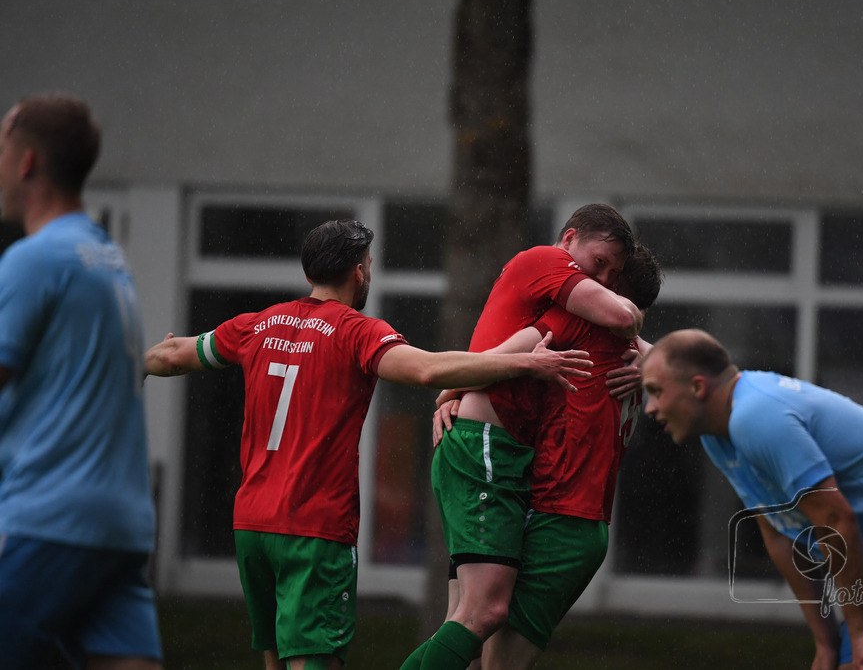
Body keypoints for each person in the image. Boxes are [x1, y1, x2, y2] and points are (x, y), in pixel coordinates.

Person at [143, 219, 593, 670]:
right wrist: (524, 363)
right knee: (314, 660)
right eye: (370, 267)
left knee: (275, 658)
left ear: (309, 274)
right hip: (313, 527)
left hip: (252, 525)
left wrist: (139, 366)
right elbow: (428, 371)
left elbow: (172, 354)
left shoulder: (255, 325)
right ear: (359, 272)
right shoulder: (357, 331)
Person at [640, 329, 863, 670]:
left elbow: (835, 520)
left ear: (698, 386)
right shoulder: (717, 435)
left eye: (656, 391)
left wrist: (861, 631)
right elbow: (780, 534)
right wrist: (826, 640)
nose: (649, 409)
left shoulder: (756, 417)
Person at [401, 204, 643, 670]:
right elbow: (622, 318)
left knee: (468, 629)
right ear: (569, 239)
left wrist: (645, 364)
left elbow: (640, 343)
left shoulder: (563, 309)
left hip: (497, 450)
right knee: (486, 612)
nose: (605, 279)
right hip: (487, 445)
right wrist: (455, 391)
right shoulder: (543, 260)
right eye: (600, 263)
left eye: (615, 272)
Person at [0, 94, 163, 668]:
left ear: (26, 163)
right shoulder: (105, 258)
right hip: (119, 527)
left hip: (50, 518)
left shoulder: (35, 259)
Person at [465, 246, 664, 670]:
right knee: (486, 652)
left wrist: (454, 392)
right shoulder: (637, 354)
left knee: (495, 661)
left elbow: (503, 355)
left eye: (603, 274)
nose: (590, 278)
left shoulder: (581, 322)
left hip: (563, 518)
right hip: (581, 521)